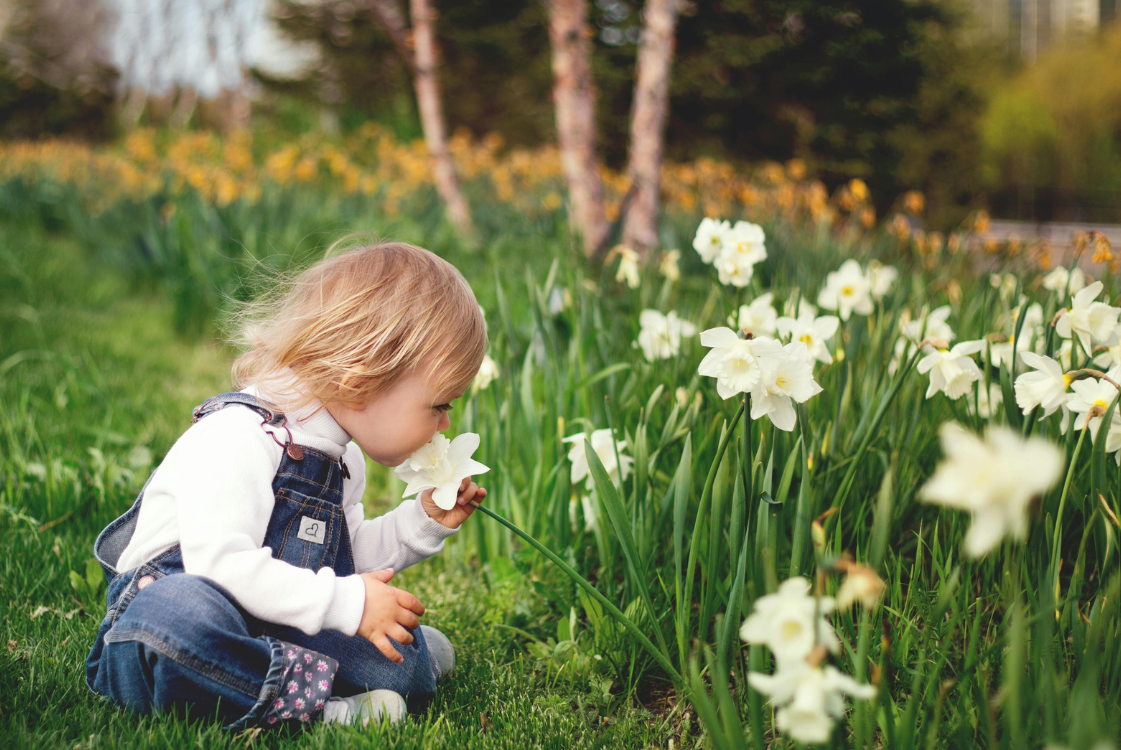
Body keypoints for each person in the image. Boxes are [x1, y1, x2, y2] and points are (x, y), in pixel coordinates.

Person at [84, 240, 489, 730]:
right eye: (440, 404)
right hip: (176, 619)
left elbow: (343, 558)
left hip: (270, 617)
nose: (445, 424)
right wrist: (348, 603)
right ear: (362, 379)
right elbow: (220, 566)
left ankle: (391, 663)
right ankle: (320, 709)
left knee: (400, 661)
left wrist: (419, 523)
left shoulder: (342, 459)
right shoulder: (239, 436)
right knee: (177, 620)